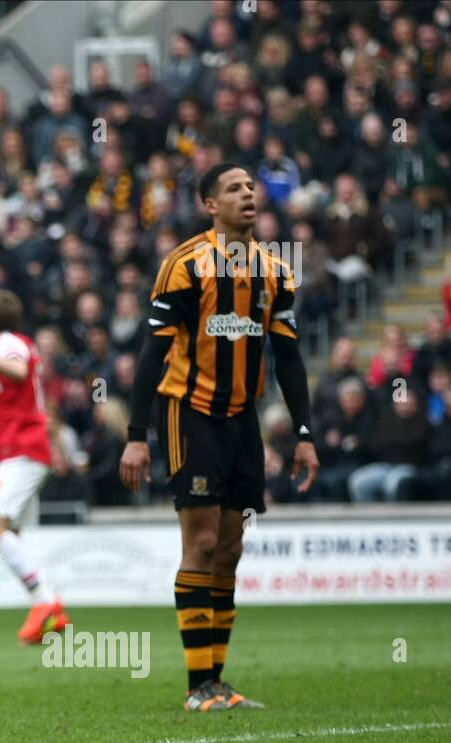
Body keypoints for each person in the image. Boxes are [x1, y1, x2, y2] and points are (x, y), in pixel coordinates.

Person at [119, 163, 319, 712]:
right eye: (234, 188)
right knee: (202, 544)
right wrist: (138, 434)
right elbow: (152, 353)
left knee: (230, 550)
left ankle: (218, 682)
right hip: (191, 412)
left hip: (242, 420)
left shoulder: (276, 271)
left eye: (251, 187)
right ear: (210, 204)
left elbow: (290, 358)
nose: (248, 194)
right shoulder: (184, 265)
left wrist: (303, 433)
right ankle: (196, 686)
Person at [0, 289, 69, 644]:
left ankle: (47, 602)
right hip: (26, 450)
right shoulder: (10, 340)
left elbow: (16, 368)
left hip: (23, 449)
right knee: (11, 533)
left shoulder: (8, 344)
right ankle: (47, 607)